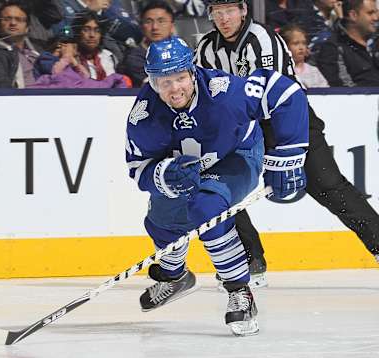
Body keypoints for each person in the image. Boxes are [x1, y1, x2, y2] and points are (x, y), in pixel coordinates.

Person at [126, 36, 309, 336]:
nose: (175, 89)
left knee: (206, 207)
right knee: (160, 221)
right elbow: (137, 168)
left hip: (237, 156)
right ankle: (174, 276)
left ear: (193, 72)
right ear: (151, 81)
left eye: (181, 78)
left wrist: (288, 157)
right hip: (188, 171)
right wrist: (164, 175)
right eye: (164, 82)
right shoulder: (142, 117)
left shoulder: (225, 93)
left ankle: (239, 291)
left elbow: (287, 92)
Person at [195, 0, 379, 289]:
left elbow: (275, 94)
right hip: (241, 129)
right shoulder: (206, 48)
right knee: (218, 189)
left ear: (243, 11)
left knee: (330, 187)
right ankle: (249, 261)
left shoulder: (264, 40)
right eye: (218, 13)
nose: (224, 18)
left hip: (289, 123)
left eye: (229, 11)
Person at [315, 0, 379, 86]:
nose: (376, 18)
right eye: (370, 13)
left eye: (376, 12)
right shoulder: (334, 47)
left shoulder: (375, 43)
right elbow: (343, 91)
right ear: (353, 15)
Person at [0, 1, 41, 88]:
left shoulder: (37, 49)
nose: (13, 23)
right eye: (7, 19)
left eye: (19, 19)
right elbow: (2, 87)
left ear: (27, 27)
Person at [118, 0, 176, 87]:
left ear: (172, 26)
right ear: (141, 26)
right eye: (149, 22)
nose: (155, 27)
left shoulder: (182, 52)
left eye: (161, 21)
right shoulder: (134, 58)